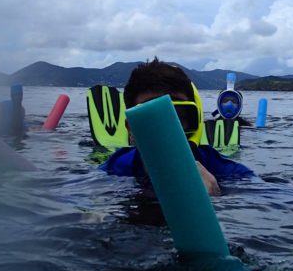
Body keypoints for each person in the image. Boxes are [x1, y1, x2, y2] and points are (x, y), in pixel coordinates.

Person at [101, 58, 254, 195]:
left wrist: (215, 196)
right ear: (131, 128)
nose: (166, 133)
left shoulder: (227, 173)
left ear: (193, 121)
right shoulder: (113, 171)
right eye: (151, 119)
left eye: (178, 117)